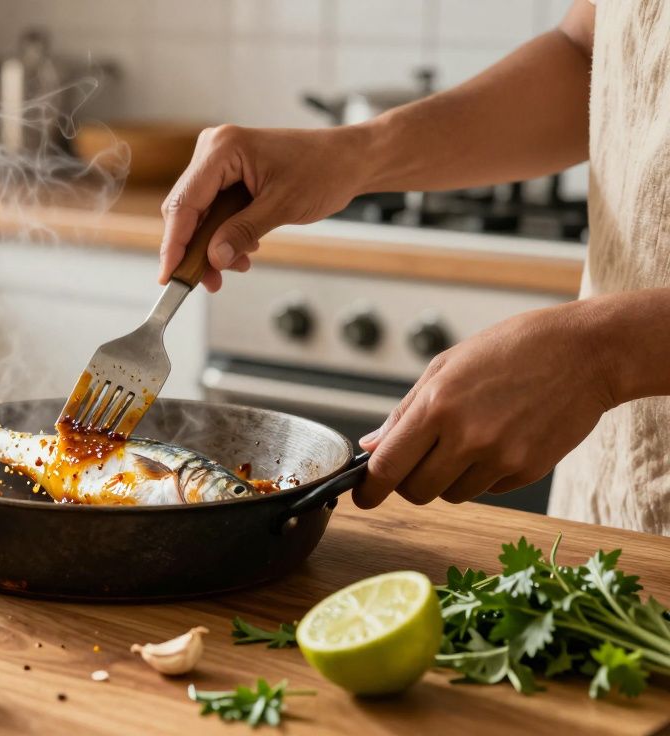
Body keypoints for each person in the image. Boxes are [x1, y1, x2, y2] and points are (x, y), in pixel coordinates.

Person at [158, 1, 670, 534]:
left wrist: (603, 353)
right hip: (615, 495)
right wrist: (353, 153)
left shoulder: (599, 355)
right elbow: (589, 53)